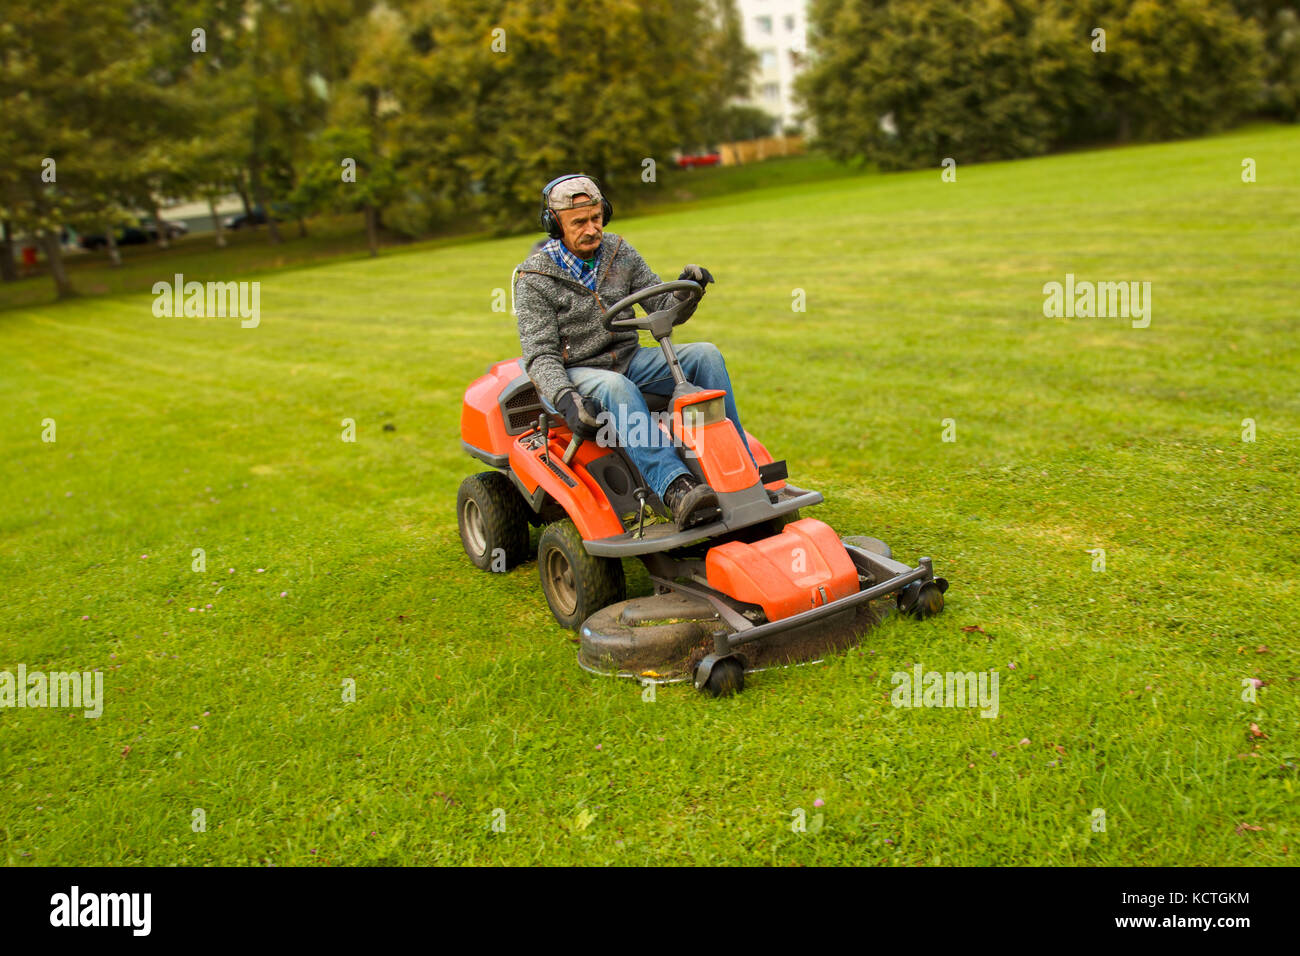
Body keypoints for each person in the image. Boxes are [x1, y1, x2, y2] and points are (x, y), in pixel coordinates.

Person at [513, 174, 754, 530]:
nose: (592, 229)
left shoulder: (618, 251)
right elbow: (539, 355)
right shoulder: (534, 278)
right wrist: (565, 397)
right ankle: (675, 487)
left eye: (596, 218)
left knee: (706, 355)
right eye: (579, 222)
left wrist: (689, 292)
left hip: (630, 359)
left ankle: (740, 471)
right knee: (615, 387)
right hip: (577, 372)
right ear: (555, 224)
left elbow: (662, 305)